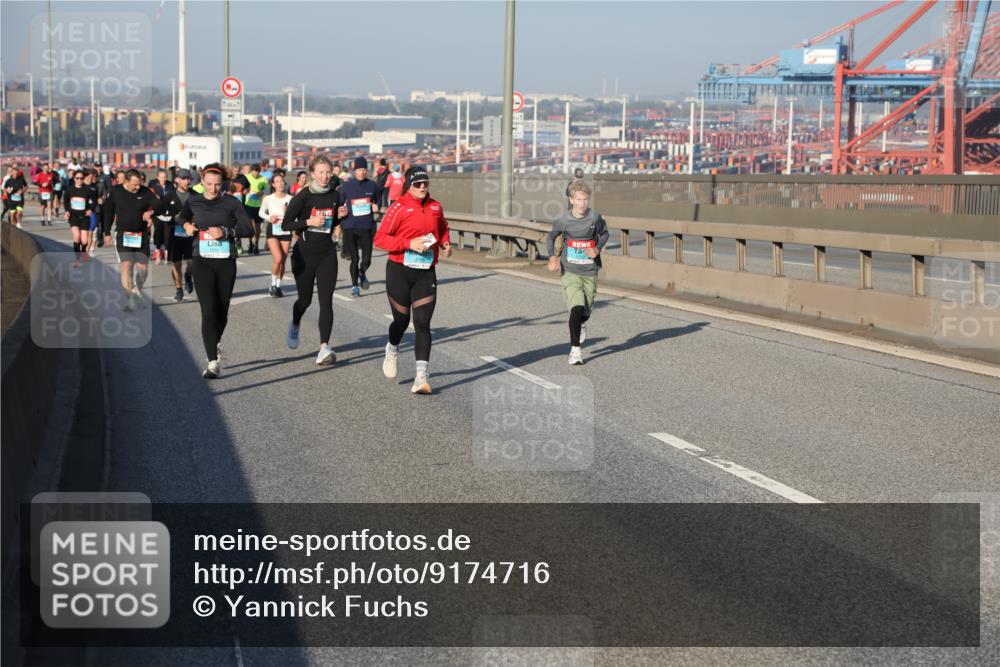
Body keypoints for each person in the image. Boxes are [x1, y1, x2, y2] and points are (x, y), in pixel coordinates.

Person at [374, 166, 451, 395]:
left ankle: (421, 377)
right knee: (401, 320)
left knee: (422, 323)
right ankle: (392, 347)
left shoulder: (435, 206)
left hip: (425, 270)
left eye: (425, 183)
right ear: (409, 185)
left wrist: (445, 242)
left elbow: (442, 227)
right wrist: (409, 244)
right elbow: (380, 238)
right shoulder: (399, 207)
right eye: (417, 184)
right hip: (399, 270)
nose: (422, 187)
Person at [176, 164, 253, 379]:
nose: (213, 189)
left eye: (217, 185)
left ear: (223, 184)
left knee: (222, 309)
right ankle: (212, 361)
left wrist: (226, 231)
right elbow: (180, 217)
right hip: (202, 260)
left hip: (226, 261)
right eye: (209, 184)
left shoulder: (231, 203)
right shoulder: (194, 200)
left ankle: (215, 341)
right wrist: (187, 226)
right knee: (208, 310)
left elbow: (249, 229)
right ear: (202, 181)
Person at [281, 155, 341, 366]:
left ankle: (324, 347)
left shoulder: (335, 195)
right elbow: (286, 224)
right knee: (304, 300)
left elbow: (334, 220)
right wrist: (308, 221)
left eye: (328, 172)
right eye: (321, 172)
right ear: (312, 174)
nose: (325, 176)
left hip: (327, 253)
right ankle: (295, 323)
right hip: (304, 254)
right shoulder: (303, 196)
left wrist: (341, 215)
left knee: (326, 301)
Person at [546, 181, 609, 365]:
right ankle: (575, 350)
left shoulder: (595, 218)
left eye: (585, 200)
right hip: (570, 270)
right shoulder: (564, 220)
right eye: (579, 199)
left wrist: (597, 248)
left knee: (586, 310)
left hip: (590, 270)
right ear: (571, 200)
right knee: (577, 307)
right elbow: (551, 236)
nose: (582, 203)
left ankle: (582, 323)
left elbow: (605, 234)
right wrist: (552, 257)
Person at [102, 169, 172, 311]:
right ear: (125, 181)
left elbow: (162, 206)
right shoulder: (116, 192)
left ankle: (138, 291)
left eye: (139, 184)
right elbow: (108, 211)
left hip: (141, 235)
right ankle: (129, 300)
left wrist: (150, 212)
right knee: (126, 266)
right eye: (134, 184)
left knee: (143, 269)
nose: (138, 187)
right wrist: (106, 232)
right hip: (123, 235)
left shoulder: (146, 192)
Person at [337, 157, 379, 297]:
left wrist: (376, 207)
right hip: (350, 226)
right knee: (354, 258)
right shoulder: (347, 186)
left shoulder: (372, 186)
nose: (361, 172)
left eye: (364, 170)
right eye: (359, 170)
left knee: (367, 260)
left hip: (366, 227)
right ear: (354, 171)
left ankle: (362, 272)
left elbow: (378, 202)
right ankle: (355, 286)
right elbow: (339, 203)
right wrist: (340, 211)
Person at [259, 171, 294, 297]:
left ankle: (278, 286)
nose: (280, 184)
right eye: (277, 182)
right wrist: (269, 218)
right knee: (278, 258)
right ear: (273, 184)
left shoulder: (290, 199)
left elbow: (295, 216)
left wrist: (288, 212)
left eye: (282, 181)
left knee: (283, 261)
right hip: (273, 229)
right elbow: (261, 213)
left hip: (285, 229)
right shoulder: (268, 198)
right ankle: (272, 285)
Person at [164, 170, 196, 301]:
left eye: (189, 179)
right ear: (177, 180)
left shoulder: (195, 195)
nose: (187, 181)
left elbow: (201, 212)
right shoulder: (169, 196)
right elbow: (160, 214)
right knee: (176, 264)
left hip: (191, 233)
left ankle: (188, 276)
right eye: (184, 179)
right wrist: (174, 218)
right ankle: (178, 288)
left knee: (192, 262)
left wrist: (194, 221)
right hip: (174, 234)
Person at [62, 169, 97, 266]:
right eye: (77, 178)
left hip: (84, 216)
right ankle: (77, 259)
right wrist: (67, 211)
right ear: (74, 179)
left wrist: (91, 209)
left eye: (81, 178)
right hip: (73, 216)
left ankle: (83, 252)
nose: (79, 180)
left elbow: (95, 201)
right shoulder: (70, 189)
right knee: (77, 238)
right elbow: (66, 201)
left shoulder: (88, 189)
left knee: (85, 241)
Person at [149, 169, 175, 264]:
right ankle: (158, 254)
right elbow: (150, 200)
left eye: (164, 177)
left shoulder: (170, 186)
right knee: (158, 233)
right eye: (161, 177)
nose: (163, 179)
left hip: (168, 214)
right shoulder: (153, 186)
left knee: (168, 234)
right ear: (157, 177)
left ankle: (167, 256)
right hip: (157, 214)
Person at [244, 162, 268, 255]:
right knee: (251, 225)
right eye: (254, 172)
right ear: (251, 171)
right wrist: (248, 192)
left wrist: (260, 193)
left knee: (258, 227)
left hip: (259, 205)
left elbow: (265, 191)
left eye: (257, 172)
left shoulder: (264, 179)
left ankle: (256, 244)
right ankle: (250, 243)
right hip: (248, 204)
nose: (256, 174)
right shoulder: (247, 177)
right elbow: (244, 189)